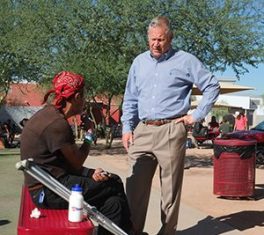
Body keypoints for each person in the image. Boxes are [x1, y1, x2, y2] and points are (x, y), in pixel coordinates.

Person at [121, 16, 220, 235]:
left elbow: (212, 85)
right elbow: (130, 99)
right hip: (143, 130)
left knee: (170, 192)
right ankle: (133, 232)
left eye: (161, 39)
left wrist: (196, 115)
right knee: (134, 188)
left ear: (170, 39)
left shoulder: (185, 60)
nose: (156, 44)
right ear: (147, 38)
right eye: (153, 39)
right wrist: (127, 128)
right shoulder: (139, 62)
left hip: (171, 130)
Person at [20, 71, 133, 235]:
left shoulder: (47, 115)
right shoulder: (57, 124)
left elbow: (59, 163)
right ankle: (131, 229)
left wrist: (90, 173)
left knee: (113, 204)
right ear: (78, 96)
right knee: (114, 182)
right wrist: (89, 135)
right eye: (84, 95)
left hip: (47, 185)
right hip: (49, 191)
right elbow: (77, 162)